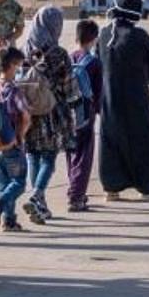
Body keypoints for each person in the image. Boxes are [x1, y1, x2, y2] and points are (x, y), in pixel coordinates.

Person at [98, 0, 149, 198]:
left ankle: (112, 188)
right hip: (137, 99)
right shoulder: (139, 36)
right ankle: (148, 186)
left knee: (111, 143)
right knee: (146, 141)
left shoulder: (104, 34)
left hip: (109, 100)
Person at [19, 5, 77, 223]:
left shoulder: (25, 50)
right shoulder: (59, 54)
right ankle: (37, 195)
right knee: (49, 158)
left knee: (33, 155)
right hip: (53, 113)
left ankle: (40, 204)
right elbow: (69, 86)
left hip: (29, 113)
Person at [0, 47, 32, 232]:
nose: (18, 70)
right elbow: (26, 116)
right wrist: (20, 136)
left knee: (4, 183)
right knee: (18, 182)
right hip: (11, 144)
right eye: (17, 66)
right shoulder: (14, 91)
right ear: (10, 66)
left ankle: (8, 221)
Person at [64, 19, 103, 211]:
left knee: (71, 154)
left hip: (68, 114)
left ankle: (74, 189)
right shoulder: (94, 63)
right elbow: (98, 92)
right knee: (83, 156)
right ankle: (76, 196)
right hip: (86, 114)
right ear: (94, 39)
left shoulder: (69, 58)